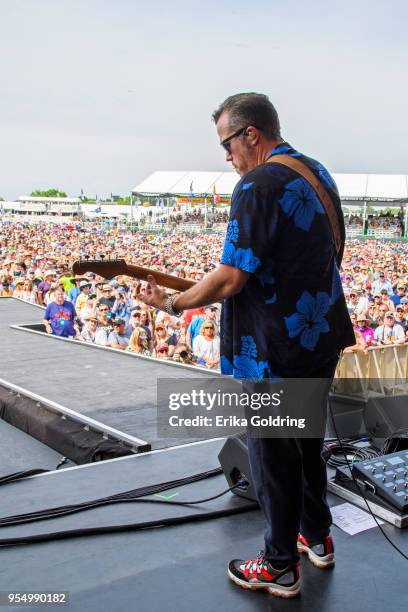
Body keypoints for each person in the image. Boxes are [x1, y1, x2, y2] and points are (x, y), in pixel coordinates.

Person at [136, 92, 354, 598]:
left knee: (273, 454)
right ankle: (316, 537)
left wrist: (171, 304)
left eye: (227, 144)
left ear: (250, 134)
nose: (227, 157)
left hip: (274, 344)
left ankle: (278, 566)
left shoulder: (256, 184)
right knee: (306, 441)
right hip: (318, 333)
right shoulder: (314, 170)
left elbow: (232, 276)